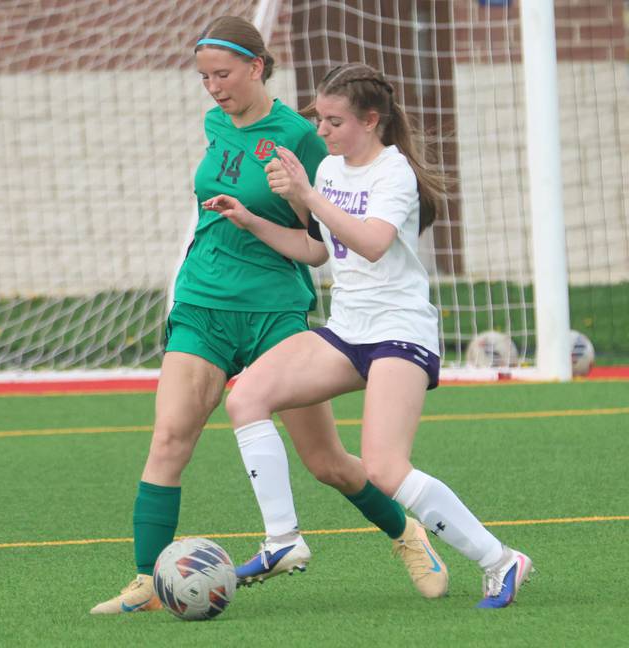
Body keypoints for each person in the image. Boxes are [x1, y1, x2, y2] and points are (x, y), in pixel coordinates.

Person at [90, 21, 447, 615]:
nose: (212, 88)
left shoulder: (306, 138)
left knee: (327, 462)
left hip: (275, 310)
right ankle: (148, 582)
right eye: (203, 77)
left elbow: (321, 236)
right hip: (202, 303)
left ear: (258, 67)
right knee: (171, 437)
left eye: (222, 75)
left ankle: (405, 533)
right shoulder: (215, 125)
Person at [207, 62, 533, 609]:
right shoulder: (332, 171)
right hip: (347, 331)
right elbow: (318, 251)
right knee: (246, 397)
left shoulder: (393, 173)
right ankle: (283, 541)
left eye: (334, 121)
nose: (323, 131)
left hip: (400, 332)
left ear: (372, 121)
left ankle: (502, 560)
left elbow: (374, 243)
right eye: (319, 118)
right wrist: (252, 220)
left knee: (384, 469)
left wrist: (307, 196)